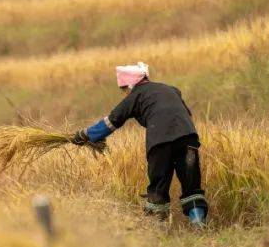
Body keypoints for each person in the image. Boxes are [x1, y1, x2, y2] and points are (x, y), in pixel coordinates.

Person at [71, 62, 209, 226]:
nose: (125, 94)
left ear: (129, 86)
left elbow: (112, 121)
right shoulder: (171, 90)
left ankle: (158, 229)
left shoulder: (135, 96)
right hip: (188, 139)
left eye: (124, 90)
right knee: (191, 183)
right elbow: (185, 114)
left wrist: (85, 134)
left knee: (158, 186)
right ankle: (199, 225)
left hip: (160, 144)